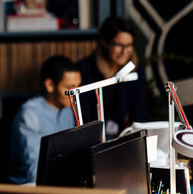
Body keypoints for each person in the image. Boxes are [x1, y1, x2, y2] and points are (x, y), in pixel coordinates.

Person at [8, 55, 81, 184]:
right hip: (28, 187)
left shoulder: (67, 109)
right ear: (50, 85)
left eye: (78, 87)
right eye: (70, 87)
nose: (75, 93)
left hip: (59, 180)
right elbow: (34, 173)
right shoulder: (29, 115)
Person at [78, 16, 148, 138]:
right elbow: (84, 115)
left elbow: (139, 109)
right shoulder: (86, 70)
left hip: (123, 136)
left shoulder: (135, 70)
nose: (124, 51)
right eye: (119, 45)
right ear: (105, 43)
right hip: (93, 138)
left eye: (129, 45)